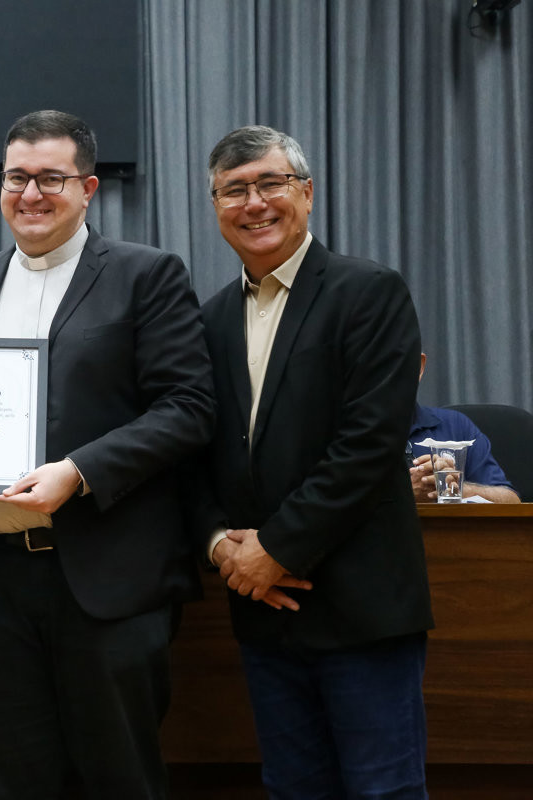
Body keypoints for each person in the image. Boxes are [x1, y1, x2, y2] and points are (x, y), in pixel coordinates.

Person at [0, 110, 215, 799]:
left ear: (88, 188)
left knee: (119, 778)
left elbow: (188, 407)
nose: (30, 194)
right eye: (16, 178)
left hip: (105, 581)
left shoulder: (147, 275)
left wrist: (79, 472)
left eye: (50, 178)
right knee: (5, 780)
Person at [195, 125, 433, 798]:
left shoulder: (369, 292)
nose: (254, 204)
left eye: (271, 184)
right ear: (215, 207)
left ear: (305, 193)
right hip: (263, 609)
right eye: (234, 190)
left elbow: (368, 444)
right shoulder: (208, 321)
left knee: (382, 791)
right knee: (293, 790)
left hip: (362, 608)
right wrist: (224, 548)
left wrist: (278, 547)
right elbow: (196, 454)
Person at [408, 353, 519, 503]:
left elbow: (512, 501)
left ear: (418, 367)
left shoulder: (456, 425)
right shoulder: (365, 433)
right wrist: (407, 493)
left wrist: (455, 488)